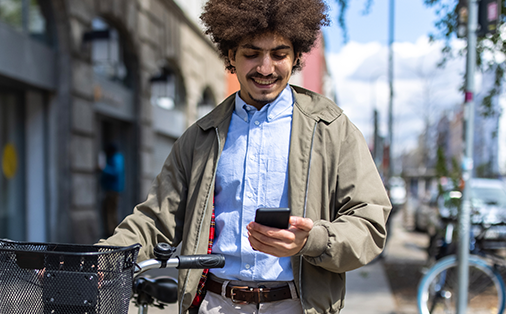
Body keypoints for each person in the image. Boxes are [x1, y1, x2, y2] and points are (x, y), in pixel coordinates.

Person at [99, 0, 391, 313]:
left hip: (296, 306)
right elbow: (155, 218)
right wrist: (102, 259)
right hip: (215, 304)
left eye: (279, 54)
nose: (266, 68)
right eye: (251, 54)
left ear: (295, 57)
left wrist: (312, 241)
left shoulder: (332, 129)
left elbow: (369, 222)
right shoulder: (200, 137)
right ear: (230, 56)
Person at [100, 142, 125, 236]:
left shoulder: (115, 158)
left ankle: (112, 233)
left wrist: (103, 168)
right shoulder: (118, 158)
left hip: (113, 190)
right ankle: (112, 232)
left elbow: (115, 172)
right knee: (111, 212)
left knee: (110, 212)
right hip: (114, 189)